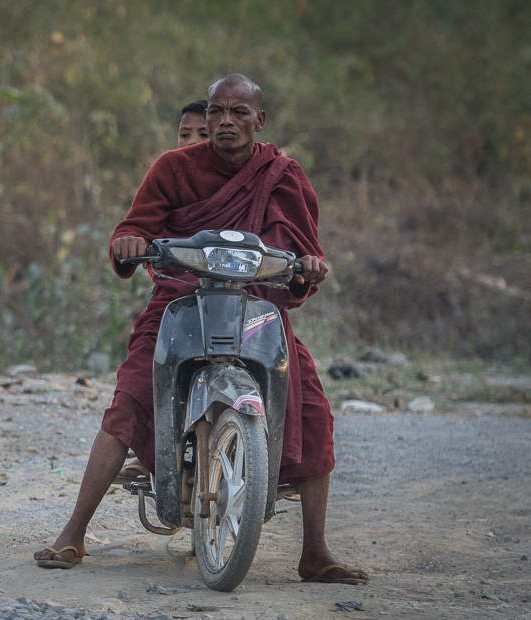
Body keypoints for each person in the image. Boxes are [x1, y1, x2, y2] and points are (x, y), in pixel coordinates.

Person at [34, 74, 369, 585]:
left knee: (312, 406)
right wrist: (126, 243)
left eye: (239, 112)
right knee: (130, 397)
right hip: (179, 298)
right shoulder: (173, 168)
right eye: (216, 112)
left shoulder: (282, 174)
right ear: (206, 117)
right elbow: (134, 227)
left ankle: (315, 550)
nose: (226, 122)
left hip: (257, 304)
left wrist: (308, 265)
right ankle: (73, 531)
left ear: (260, 120)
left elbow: (302, 248)